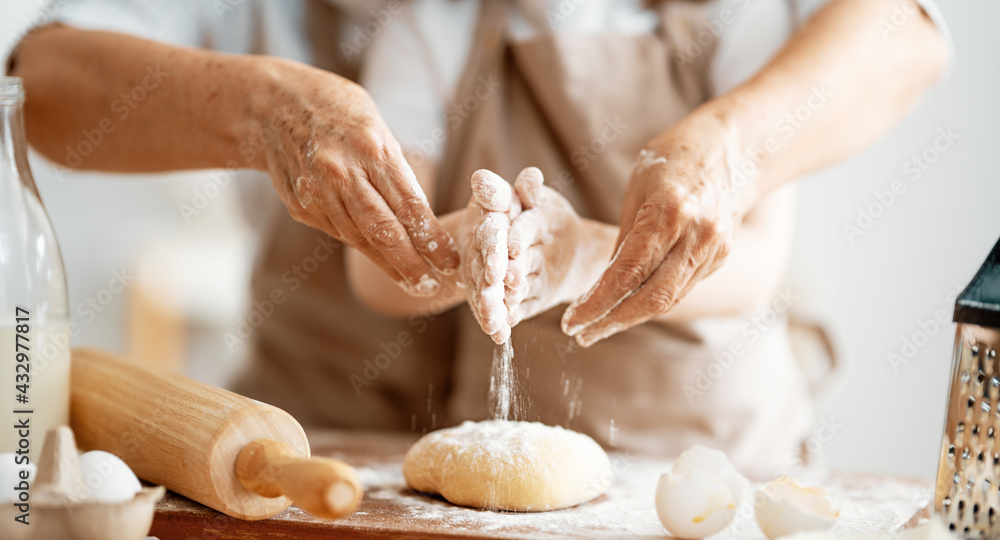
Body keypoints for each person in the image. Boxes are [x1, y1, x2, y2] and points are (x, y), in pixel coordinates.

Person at [8, 0, 949, 474]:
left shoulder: (726, 18)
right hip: (344, 431)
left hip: (708, 447)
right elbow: (45, 77)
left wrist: (590, 249)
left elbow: (903, 37)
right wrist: (458, 247)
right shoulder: (436, 21)